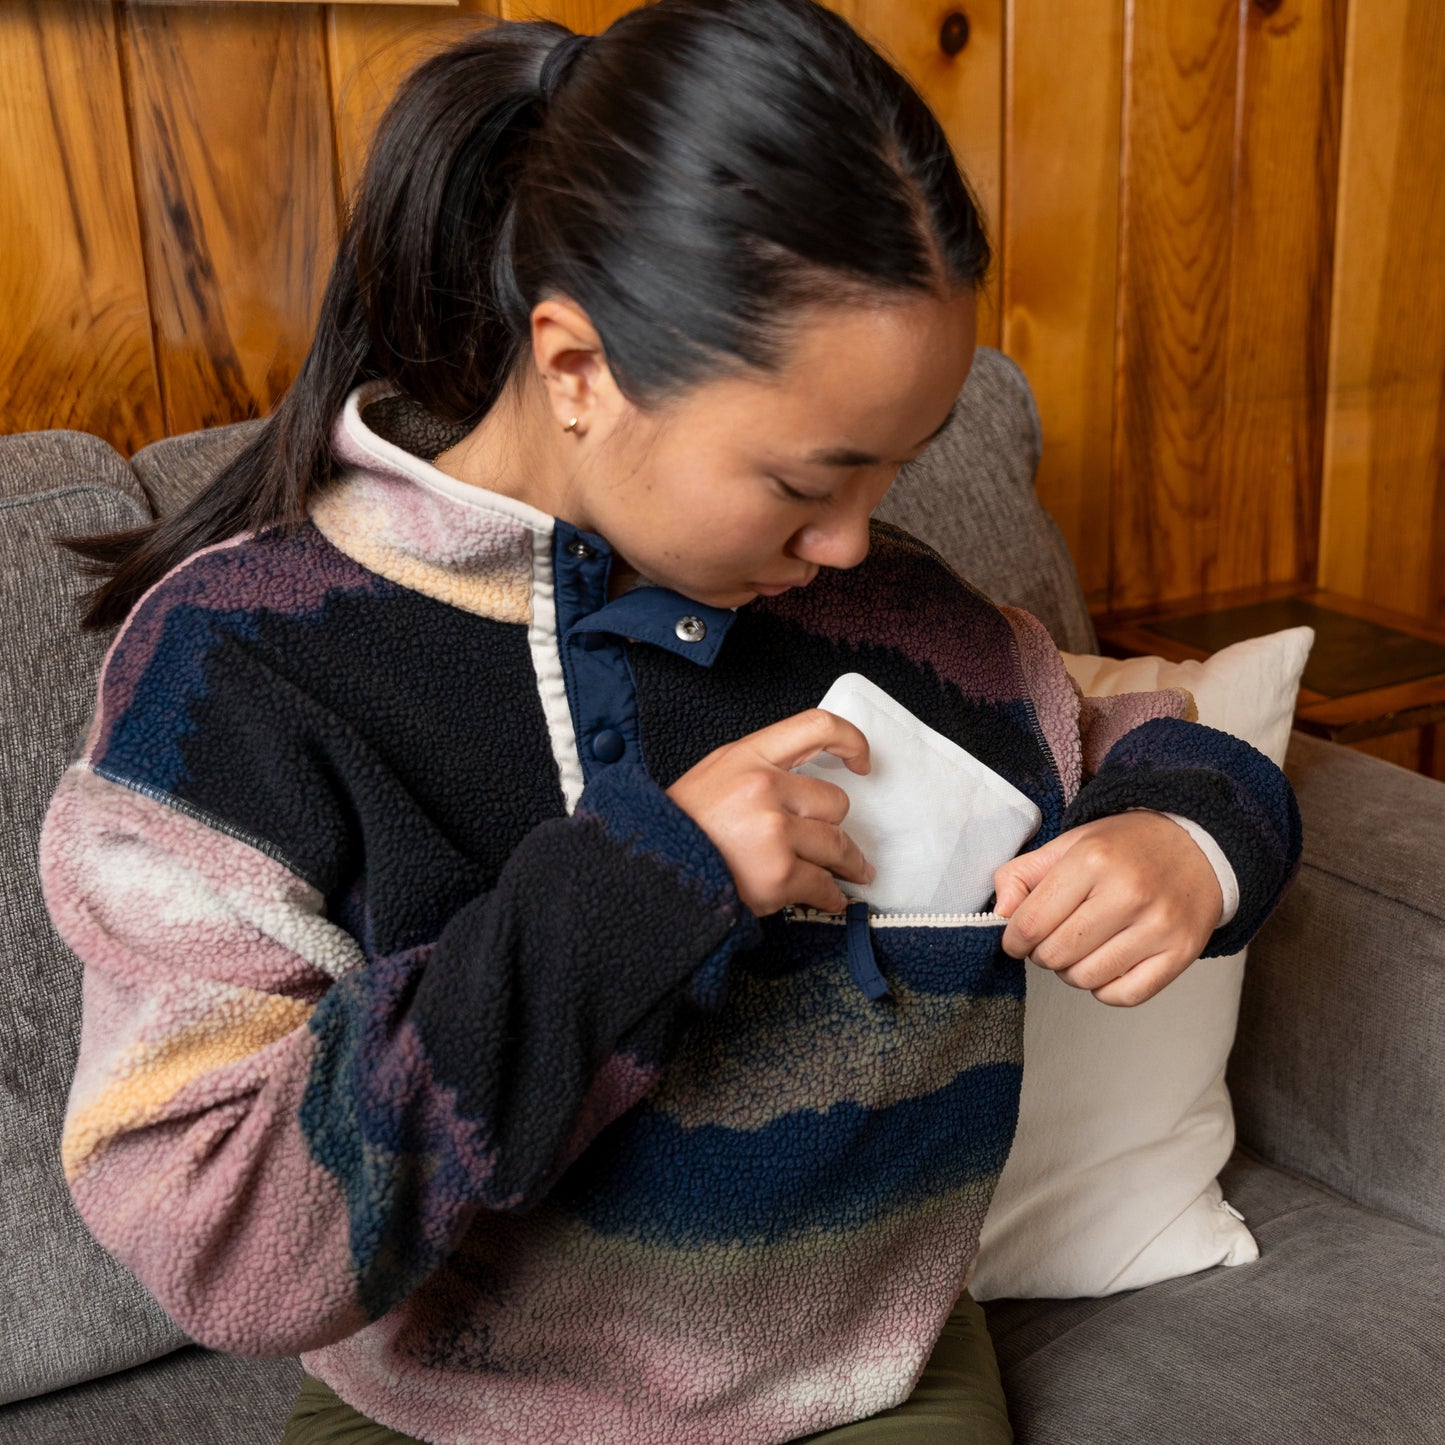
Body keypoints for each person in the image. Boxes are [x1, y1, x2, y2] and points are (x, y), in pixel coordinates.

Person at [39, 2, 1302, 1441]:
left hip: (863, 1391)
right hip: (444, 1414)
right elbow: (226, 1243)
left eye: (890, 471)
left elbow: (1138, 733)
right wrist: (643, 890)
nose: (850, 543)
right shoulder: (241, 666)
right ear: (576, 367)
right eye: (805, 480)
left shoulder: (898, 620)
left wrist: (1183, 837)